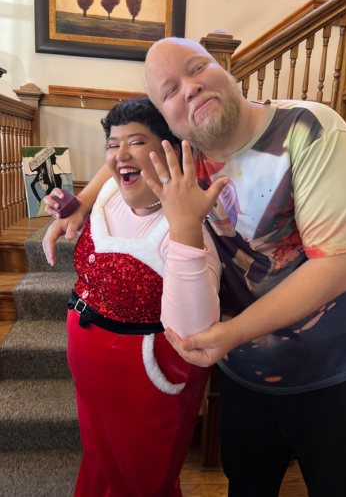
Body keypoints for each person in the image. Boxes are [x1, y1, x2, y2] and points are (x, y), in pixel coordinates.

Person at [44, 38, 346, 497]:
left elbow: (342, 267)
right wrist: (82, 201)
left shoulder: (312, 130)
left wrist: (232, 332)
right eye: (170, 91)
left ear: (227, 71)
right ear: (166, 120)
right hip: (244, 373)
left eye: (197, 68)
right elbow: (125, 153)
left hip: (332, 370)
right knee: (246, 484)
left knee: (333, 486)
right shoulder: (184, 149)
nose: (189, 88)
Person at [45, 98, 224, 497]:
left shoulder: (185, 231)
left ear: (170, 151)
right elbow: (112, 172)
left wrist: (185, 230)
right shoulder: (109, 190)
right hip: (88, 363)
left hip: (144, 379)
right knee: (98, 457)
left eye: (137, 142)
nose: (120, 154)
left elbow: (195, 331)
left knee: (141, 474)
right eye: (112, 144)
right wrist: (75, 205)